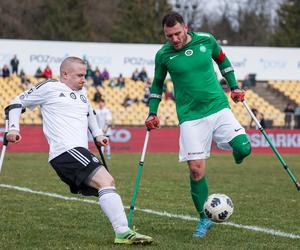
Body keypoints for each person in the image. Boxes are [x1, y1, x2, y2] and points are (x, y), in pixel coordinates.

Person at [5, 56, 153, 245]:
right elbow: (16, 104)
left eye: (85, 75)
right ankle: (123, 232)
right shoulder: (50, 87)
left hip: (77, 151)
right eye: (80, 75)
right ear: (65, 74)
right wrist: (13, 128)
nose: (84, 79)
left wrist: (98, 134)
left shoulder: (83, 95)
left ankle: (122, 231)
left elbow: (89, 113)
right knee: (106, 180)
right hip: (65, 151)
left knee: (106, 184)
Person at [145, 12, 251, 238]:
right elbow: (156, 84)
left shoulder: (207, 40)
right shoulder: (163, 55)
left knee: (244, 148)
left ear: (186, 28)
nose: (174, 39)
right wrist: (152, 112)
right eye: (169, 35)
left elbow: (223, 60)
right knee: (195, 169)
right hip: (190, 117)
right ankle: (204, 218)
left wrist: (234, 86)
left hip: (218, 107)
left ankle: (237, 154)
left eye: (177, 33)